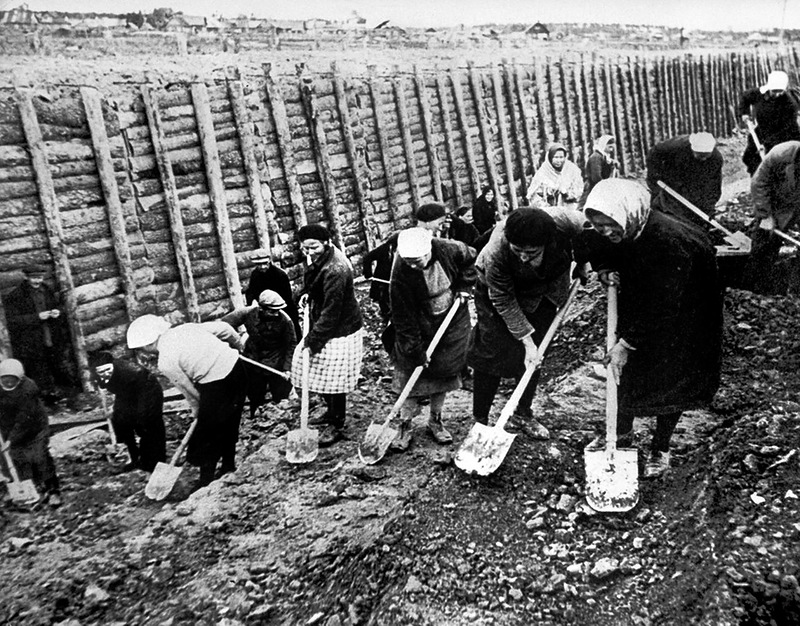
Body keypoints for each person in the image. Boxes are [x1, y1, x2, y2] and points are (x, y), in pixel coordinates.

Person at [580, 179, 722, 478]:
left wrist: (627, 343)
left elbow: (663, 304)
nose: (605, 231)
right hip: (646, 304)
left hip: (685, 317)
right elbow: (594, 242)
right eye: (599, 225)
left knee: (671, 381)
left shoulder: (669, 242)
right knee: (626, 373)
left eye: (610, 224)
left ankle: (661, 447)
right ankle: (620, 436)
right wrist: (604, 268)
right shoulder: (628, 224)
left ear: (627, 214)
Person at [467, 207, 585, 439]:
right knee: (491, 352)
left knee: (534, 357)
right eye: (517, 250)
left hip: (544, 289)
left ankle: (522, 413)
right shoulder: (496, 252)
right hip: (497, 292)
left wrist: (582, 261)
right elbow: (503, 300)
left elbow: (587, 236)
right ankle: (480, 420)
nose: (523, 257)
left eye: (530, 252)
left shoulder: (568, 222)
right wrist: (526, 341)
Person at [126, 315, 248, 489]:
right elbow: (225, 329)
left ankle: (206, 481)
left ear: (147, 345)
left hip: (217, 383)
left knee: (207, 434)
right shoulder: (187, 328)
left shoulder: (165, 361)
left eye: (140, 349)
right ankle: (228, 466)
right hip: (239, 371)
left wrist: (198, 408)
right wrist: (239, 347)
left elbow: (188, 389)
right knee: (230, 422)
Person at [389, 227, 477, 450]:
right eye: (408, 261)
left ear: (428, 251)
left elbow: (471, 259)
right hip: (419, 320)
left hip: (452, 318)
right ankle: (405, 424)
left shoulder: (449, 248)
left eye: (416, 261)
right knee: (410, 371)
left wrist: (465, 286)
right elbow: (403, 317)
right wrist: (415, 350)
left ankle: (435, 420)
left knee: (444, 370)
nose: (412, 266)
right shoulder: (400, 272)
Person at [292, 224, 364, 446]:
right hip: (325, 322)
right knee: (315, 370)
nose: (309, 252)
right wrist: (307, 294)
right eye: (305, 248)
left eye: (313, 247)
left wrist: (313, 340)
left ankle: (337, 423)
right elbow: (315, 285)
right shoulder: (319, 259)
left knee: (334, 379)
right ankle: (330, 411)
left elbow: (332, 312)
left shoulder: (336, 269)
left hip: (341, 328)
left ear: (327, 243)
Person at [3, 266, 78, 404]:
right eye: (34, 278)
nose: (37, 281)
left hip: (51, 337)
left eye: (40, 277)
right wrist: (37, 317)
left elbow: (58, 306)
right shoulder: (16, 295)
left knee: (59, 366)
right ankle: (47, 402)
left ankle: (68, 398)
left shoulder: (47, 290)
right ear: (26, 277)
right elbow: (13, 320)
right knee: (39, 371)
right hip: (32, 341)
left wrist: (57, 312)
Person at [221, 289, 296, 418]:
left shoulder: (285, 320)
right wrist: (234, 342)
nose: (276, 314)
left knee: (281, 396)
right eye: (272, 311)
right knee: (255, 393)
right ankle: (255, 416)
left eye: (278, 310)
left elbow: (291, 344)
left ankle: (281, 420)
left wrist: (287, 368)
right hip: (253, 359)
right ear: (261, 308)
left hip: (276, 361)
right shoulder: (248, 313)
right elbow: (224, 325)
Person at [0, 359, 61, 507]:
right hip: (8, 426)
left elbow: (24, 419)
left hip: (35, 427)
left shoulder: (29, 389)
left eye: (12, 380)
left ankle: (53, 490)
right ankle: (25, 489)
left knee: (40, 456)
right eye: (5, 380)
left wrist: (10, 440)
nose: (9, 383)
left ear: (20, 379)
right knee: (14, 458)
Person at [743, 140, 800, 294]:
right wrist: (765, 215)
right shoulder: (781, 154)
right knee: (764, 245)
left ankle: (795, 291)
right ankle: (753, 290)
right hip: (775, 205)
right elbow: (759, 182)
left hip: (796, 204)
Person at [93, 351, 166, 473]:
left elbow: (131, 393)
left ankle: (153, 462)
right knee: (119, 421)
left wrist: (120, 409)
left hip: (148, 390)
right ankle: (131, 458)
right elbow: (112, 389)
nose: (105, 374)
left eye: (107, 370)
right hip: (127, 393)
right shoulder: (98, 375)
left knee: (148, 423)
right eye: (101, 372)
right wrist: (115, 409)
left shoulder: (133, 372)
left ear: (112, 365)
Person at [645, 132, 723, 232]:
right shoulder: (674, 146)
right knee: (666, 206)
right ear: (692, 148)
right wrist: (655, 177)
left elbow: (713, 186)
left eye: (706, 155)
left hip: (693, 176)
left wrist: (709, 209)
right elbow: (653, 155)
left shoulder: (716, 159)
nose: (703, 158)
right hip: (672, 172)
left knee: (697, 201)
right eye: (700, 155)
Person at [737, 70, 800, 175]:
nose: (777, 94)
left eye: (780, 91)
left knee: (779, 163)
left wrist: (767, 145)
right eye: (774, 91)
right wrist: (744, 113)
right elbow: (745, 98)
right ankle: (757, 180)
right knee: (751, 157)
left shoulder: (789, 104)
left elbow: (787, 129)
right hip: (763, 130)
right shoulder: (758, 94)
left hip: (785, 136)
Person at [243, 248, 300, 339]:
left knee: (291, 333)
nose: (262, 267)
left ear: (269, 261)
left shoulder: (280, 275)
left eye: (264, 263)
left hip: (283, 308)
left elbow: (286, 297)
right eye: (259, 264)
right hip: (266, 310)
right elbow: (252, 291)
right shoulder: (255, 275)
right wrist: (252, 301)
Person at [525, 143, 584, 211]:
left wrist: (567, 194)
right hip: (548, 210)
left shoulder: (572, 170)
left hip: (569, 208)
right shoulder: (543, 172)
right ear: (550, 157)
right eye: (555, 157)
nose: (559, 161)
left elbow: (579, 191)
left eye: (561, 157)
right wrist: (547, 202)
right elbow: (534, 196)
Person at [579, 134, 619, 206]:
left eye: (612, 146)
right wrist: (605, 187)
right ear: (603, 145)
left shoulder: (605, 156)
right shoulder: (596, 157)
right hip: (593, 187)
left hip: (601, 186)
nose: (611, 149)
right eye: (609, 146)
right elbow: (596, 177)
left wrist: (613, 164)